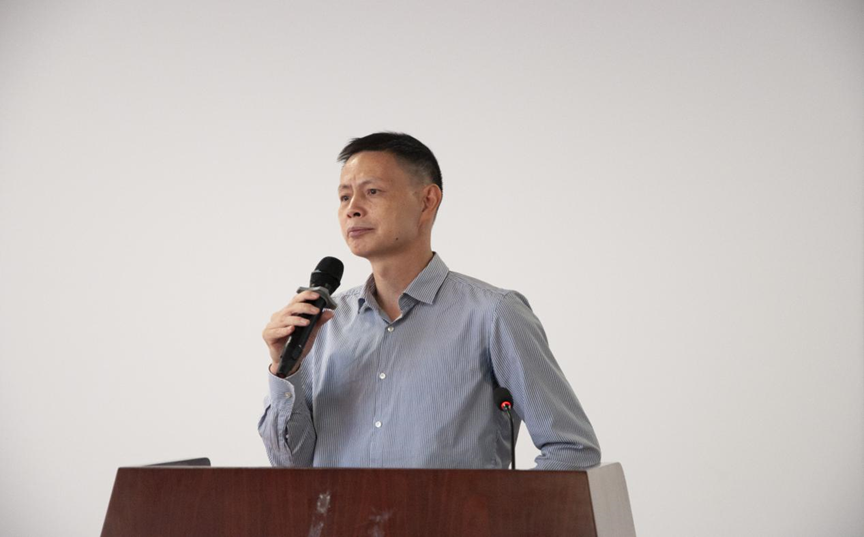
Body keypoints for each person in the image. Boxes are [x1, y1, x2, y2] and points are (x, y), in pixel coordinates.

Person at [258, 132, 600, 469]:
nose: (352, 209)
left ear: (427, 201)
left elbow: (571, 449)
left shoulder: (493, 315)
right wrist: (285, 368)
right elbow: (291, 465)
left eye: (372, 192)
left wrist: (498, 507)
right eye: (344, 196)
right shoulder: (324, 325)